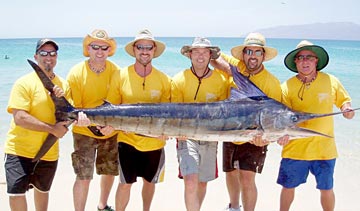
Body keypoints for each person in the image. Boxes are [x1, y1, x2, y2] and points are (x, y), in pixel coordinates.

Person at [277, 40, 355, 211]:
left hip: (324, 150)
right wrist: (280, 135)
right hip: (295, 149)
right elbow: (280, 119)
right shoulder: (286, 87)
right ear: (295, 61)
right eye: (300, 58)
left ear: (316, 61)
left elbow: (344, 102)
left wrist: (347, 109)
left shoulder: (331, 80)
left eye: (309, 57)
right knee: (288, 187)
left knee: (326, 188)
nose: (305, 61)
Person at [211, 32, 284, 211]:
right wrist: (229, 69)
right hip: (231, 131)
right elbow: (213, 59)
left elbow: (278, 119)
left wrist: (266, 139)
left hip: (255, 136)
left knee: (246, 178)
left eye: (257, 52)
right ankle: (234, 207)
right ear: (243, 54)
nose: (252, 56)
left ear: (263, 56)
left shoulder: (272, 83)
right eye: (249, 52)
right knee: (230, 173)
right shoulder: (237, 66)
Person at [106, 29, 171, 211]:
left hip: (155, 144)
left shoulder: (165, 80)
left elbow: (169, 116)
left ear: (154, 51)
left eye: (148, 47)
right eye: (140, 47)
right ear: (134, 50)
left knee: (150, 183)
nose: (144, 51)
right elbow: (110, 109)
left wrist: (171, 133)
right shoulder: (119, 75)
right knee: (125, 183)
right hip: (127, 141)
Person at [3, 38, 71, 211]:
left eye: (52, 53)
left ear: (56, 57)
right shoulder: (24, 83)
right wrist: (51, 129)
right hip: (19, 150)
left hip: (48, 152)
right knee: (16, 193)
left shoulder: (63, 85)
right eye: (43, 53)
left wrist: (60, 101)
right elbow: (19, 117)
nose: (48, 57)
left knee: (42, 190)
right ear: (36, 56)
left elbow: (68, 118)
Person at [171, 37, 231, 211]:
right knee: (190, 181)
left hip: (210, 138)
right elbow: (175, 113)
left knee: (203, 183)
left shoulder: (221, 80)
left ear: (210, 55)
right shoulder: (178, 79)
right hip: (186, 137)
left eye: (204, 52)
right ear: (190, 54)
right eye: (196, 52)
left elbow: (225, 112)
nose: (200, 56)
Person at [67, 29, 120, 211]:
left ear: (109, 50)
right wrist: (79, 120)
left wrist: (111, 127)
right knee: (83, 176)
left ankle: (102, 205)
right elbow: (72, 106)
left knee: (109, 171)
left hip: (109, 129)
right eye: (95, 47)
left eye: (104, 48)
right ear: (88, 49)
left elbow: (116, 103)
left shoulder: (116, 71)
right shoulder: (76, 72)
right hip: (83, 131)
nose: (99, 51)